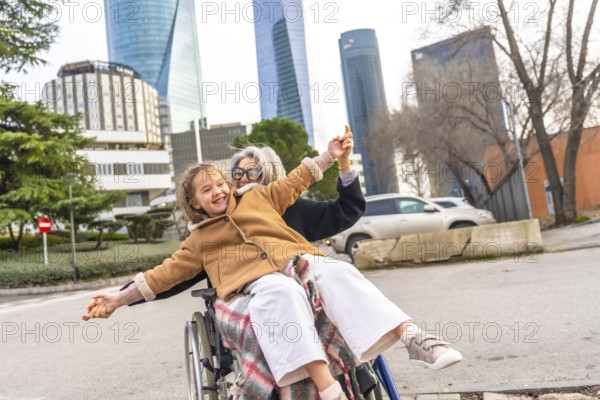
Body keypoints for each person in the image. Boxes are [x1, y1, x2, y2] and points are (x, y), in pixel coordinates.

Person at [83, 127, 462, 400]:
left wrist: (332, 154)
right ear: (195, 203)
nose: (220, 189)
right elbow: (164, 275)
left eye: (220, 183)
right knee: (278, 290)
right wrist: (118, 299)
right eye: (208, 188)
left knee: (337, 270)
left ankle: (414, 337)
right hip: (260, 284)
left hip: (299, 262)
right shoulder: (199, 240)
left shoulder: (261, 199)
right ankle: (328, 390)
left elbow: (300, 178)